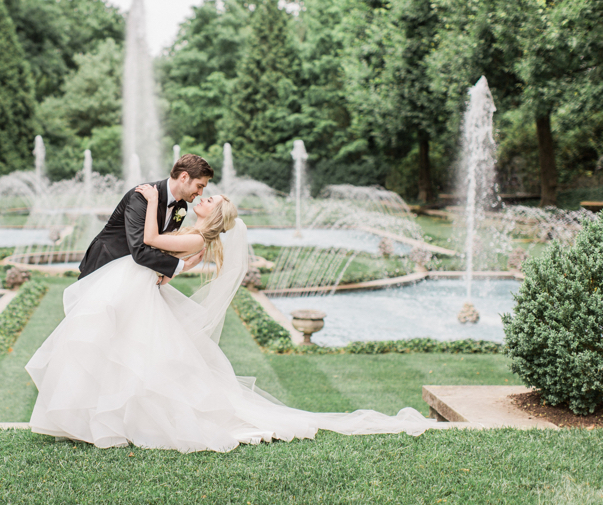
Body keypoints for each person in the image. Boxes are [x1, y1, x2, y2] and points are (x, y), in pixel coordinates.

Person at [26, 175, 436, 453]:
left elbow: (149, 240)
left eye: (210, 200)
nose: (202, 199)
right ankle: (100, 415)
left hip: (135, 290)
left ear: (214, 216)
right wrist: (164, 265)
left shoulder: (195, 236)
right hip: (136, 289)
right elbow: (158, 251)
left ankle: (115, 418)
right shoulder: (192, 230)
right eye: (205, 194)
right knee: (125, 351)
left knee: (128, 352)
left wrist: (150, 200)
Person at [77, 154, 214, 283]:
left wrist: (162, 274)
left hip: (133, 274)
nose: (200, 193)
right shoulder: (141, 197)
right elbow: (139, 249)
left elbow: (163, 244)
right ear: (184, 177)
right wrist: (183, 265)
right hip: (105, 266)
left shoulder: (181, 206)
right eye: (199, 186)